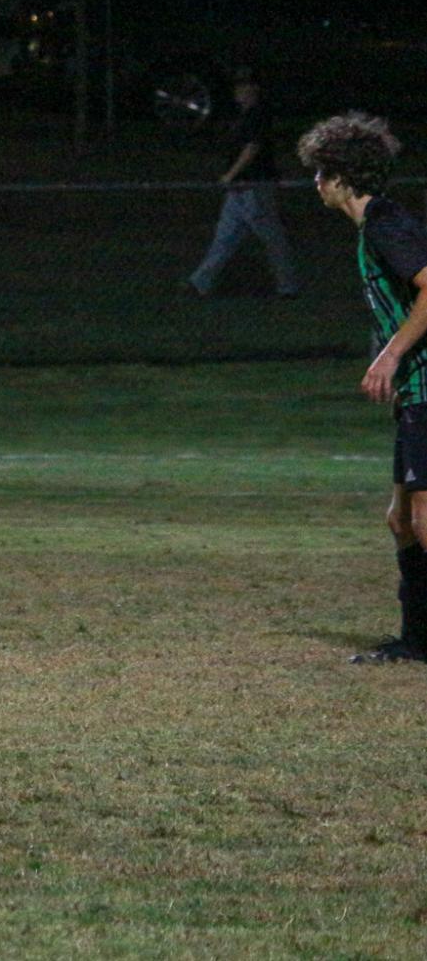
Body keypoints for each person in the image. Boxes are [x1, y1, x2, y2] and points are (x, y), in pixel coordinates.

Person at [298, 113, 427, 664]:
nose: (316, 183)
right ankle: (415, 642)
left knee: (423, 520)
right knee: (401, 520)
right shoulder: (373, 227)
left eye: (320, 172)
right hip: (416, 393)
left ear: (342, 176)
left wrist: (391, 356)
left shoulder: (385, 223)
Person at [186, 70, 301, 298]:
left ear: (254, 91)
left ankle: (288, 286)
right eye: (238, 88)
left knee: (271, 238)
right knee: (225, 236)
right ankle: (200, 282)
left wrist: (230, 174)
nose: (239, 92)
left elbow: (252, 148)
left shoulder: (258, 115)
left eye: (244, 88)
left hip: (255, 185)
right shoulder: (243, 115)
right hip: (240, 187)